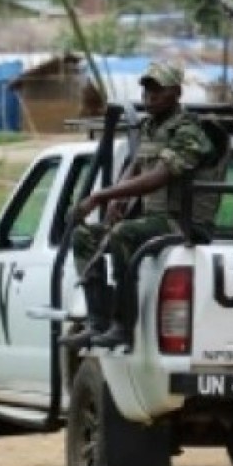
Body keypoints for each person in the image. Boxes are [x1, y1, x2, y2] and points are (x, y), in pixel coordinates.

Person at [68, 61, 217, 350]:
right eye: (146, 88)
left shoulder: (188, 132)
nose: (149, 95)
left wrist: (102, 196)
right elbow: (136, 165)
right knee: (84, 236)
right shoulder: (151, 126)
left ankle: (123, 326)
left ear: (175, 93)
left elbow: (159, 177)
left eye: (157, 90)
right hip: (155, 220)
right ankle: (98, 321)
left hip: (183, 223)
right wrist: (119, 201)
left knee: (124, 234)